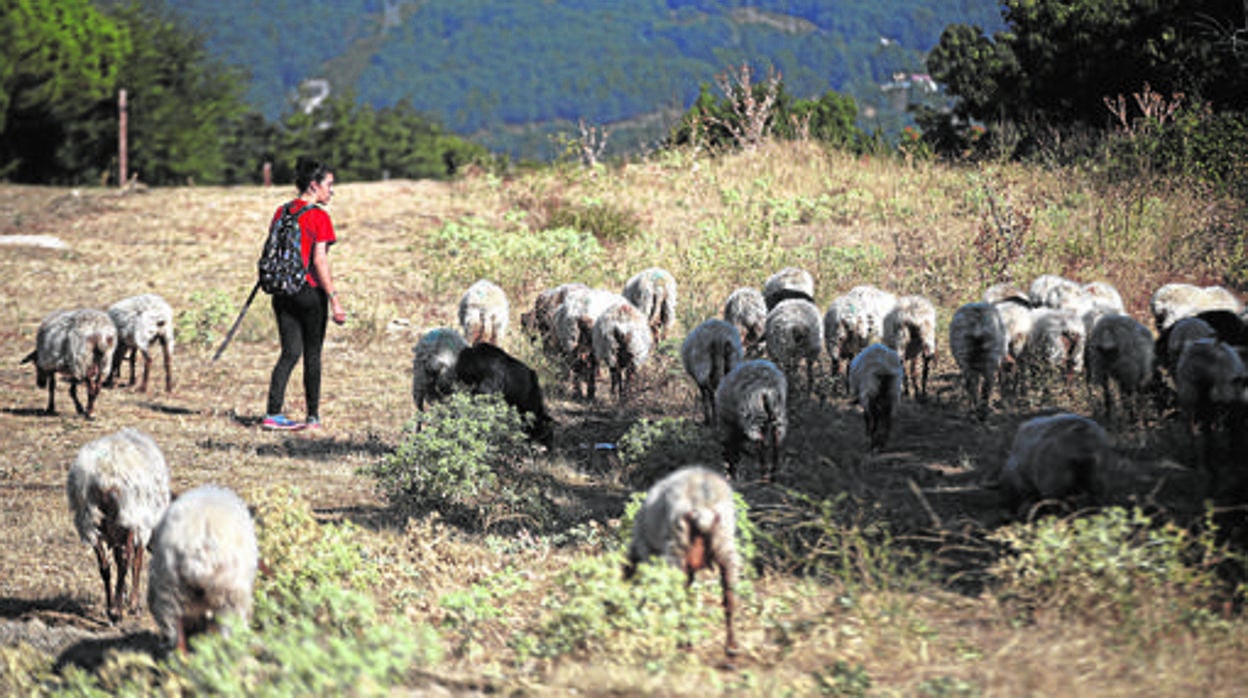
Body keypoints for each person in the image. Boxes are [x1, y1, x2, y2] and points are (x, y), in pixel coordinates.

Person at [262, 157, 347, 431]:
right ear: (314, 185)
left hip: (282, 292)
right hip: (310, 293)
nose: (332, 191)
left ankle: (272, 414)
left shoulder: (281, 211)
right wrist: (334, 299)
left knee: (289, 353)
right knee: (312, 354)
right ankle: (312, 418)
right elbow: (319, 261)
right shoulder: (319, 217)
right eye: (329, 185)